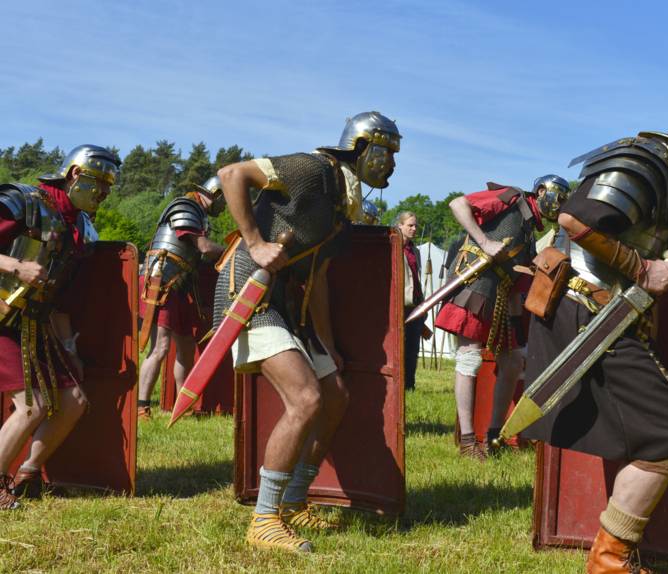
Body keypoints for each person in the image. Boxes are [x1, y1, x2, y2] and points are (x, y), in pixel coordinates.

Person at [522, 102, 668, 573]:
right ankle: (609, 562)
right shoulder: (645, 161)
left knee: (653, 437)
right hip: (587, 316)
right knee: (666, 438)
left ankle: (612, 556)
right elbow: (575, 220)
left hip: (606, 317)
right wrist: (641, 268)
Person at [215, 111, 400, 552]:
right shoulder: (312, 169)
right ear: (360, 147)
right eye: (385, 152)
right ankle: (264, 519)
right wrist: (255, 242)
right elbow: (231, 173)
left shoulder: (341, 208)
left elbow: (317, 279)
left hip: (288, 303)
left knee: (334, 395)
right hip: (250, 294)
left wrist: (329, 345)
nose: (390, 163)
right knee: (305, 399)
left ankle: (295, 500)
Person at [0, 145, 120, 509]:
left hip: (35, 321)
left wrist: (69, 349)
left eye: (108, 187)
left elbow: (62, 299)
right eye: (97, 183)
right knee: (32, 406)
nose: (102, 193)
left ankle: (29, 473)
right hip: (2, 316)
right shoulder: (24, 201)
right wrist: (15, 266)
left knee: (73, 400)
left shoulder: (81, 227)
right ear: (74, 175)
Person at [434, 176, 569, 460]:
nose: (558, 204)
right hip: (475, 284)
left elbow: (519, 279)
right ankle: (469, 442)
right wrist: (484, 241)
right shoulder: (512, 197)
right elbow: (458, 204)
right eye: (556, 197)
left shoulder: (530, 229)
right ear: (541, 191)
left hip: (502, 296)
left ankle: (495, 434)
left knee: (513, 360)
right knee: (469, 358)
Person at [136, 176, 225, 419]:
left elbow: (196, 262)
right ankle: (141, 406)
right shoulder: (185, 207)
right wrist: (235, 249)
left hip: (178, 287)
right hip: (160, 281)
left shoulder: (200, 215)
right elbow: (205, 248)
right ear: (216, 194)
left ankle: (182, 405)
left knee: (185, 347)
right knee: (160, 347)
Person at [398, 211, 424, 390]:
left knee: (413, 347)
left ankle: (409, 385)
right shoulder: (393, 247)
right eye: (410, 225)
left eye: (415, 225)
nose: (414, 228)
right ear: (400, 226)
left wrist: (422, 303)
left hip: (415, 306)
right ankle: (398, 385)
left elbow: (417, 278)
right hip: (398, 305)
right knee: (398, 348)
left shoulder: (415, 250)